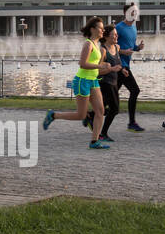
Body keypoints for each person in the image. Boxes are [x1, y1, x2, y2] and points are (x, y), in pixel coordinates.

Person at [42, 18, 115, 149]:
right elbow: (82, 64)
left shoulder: (97, 44)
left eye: (103, 28)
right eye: (100, 28)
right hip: (83, 81)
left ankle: (94, 141)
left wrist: (105, 65)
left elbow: (95, 64)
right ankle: (53, 115)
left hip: (93, 81)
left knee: (100, 111)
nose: (103, 30)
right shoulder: (88, 44)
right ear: (93, 29)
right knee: (81, 114)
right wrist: (100, 67)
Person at [84, 23, 128, 141]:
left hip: (114, 82)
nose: (116, 37)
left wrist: (122, 70)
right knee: (114, 109)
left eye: (116, 35)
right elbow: (97, 70)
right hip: (105, 83)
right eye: (114, 35)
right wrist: (112, 69)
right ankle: (102, 133)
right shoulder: (103, 50)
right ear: (107, 36)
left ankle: (90, 116)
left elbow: (116, 64)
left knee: (104, 108)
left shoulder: (117, 47)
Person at [113, 3, 146, 132]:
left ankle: (91, 115)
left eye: (136, 12)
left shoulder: (134, 27)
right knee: (135, 90)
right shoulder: (118, 28)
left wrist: (138, 47)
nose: (135, 14)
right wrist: (122, 52)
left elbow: (131, 46)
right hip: (119, 66)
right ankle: (131, 123)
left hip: (125, 65)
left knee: (112, 96)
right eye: (132, 12)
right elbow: (110, 47)